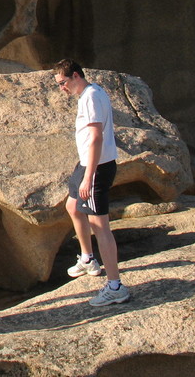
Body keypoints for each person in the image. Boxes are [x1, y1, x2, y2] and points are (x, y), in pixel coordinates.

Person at [53, 59, 131, 306]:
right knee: (72, 206)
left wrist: (89, 176)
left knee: (100, 226)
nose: (62, 88)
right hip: (86, 163)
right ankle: (88, 258)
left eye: (63, 83)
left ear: (76, 76)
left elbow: (96, 137)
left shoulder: (91, 96)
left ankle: (116, 286)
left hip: (96, 167)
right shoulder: (89, 94)